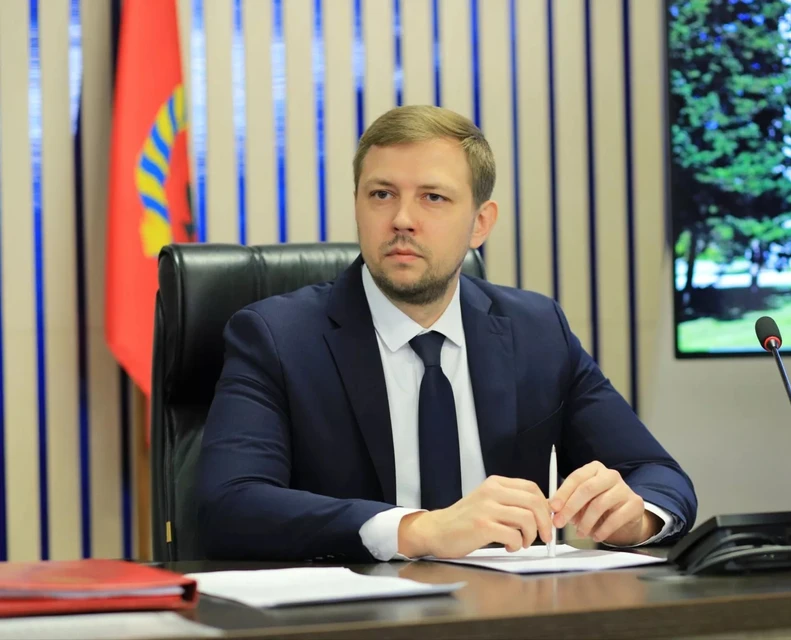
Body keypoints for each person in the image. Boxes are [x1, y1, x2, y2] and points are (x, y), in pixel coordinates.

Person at [196, 105, 697, 562]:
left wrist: (636, 517)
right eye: (381, 195)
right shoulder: (277, 338)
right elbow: (229, 505)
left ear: (480, 223)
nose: (402, 220)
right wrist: (417, 530)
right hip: (351, 612)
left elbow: (659, 476)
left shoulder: (537, 331)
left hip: (508, 610)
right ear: (358, 205)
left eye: (432, 197)